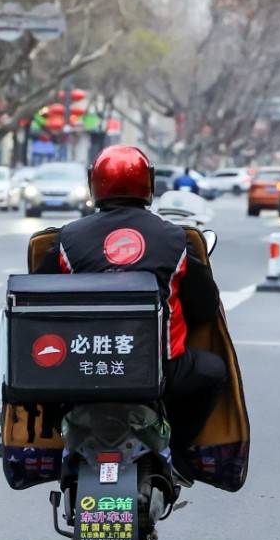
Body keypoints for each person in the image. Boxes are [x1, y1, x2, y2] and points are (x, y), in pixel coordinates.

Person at [34, 145, 226, 480]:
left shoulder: (68, 238)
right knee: (212, 371)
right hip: (162, 370)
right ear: (148, 184)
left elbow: (39, 302)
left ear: (95, 183)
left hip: (81, 364)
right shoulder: (175, 238)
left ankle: (54, 447)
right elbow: (205, 307)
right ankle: (178, 453)